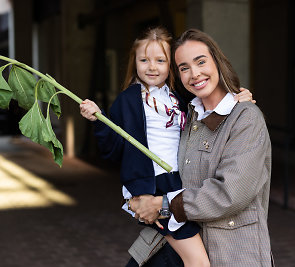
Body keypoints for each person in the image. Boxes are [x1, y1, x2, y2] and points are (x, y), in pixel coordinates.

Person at [80, 27, 254, 267]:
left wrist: (237, 99)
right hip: (156, 186)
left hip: (182, 183)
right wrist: (99, 119)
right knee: (198, 262)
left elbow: (210, 111)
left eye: (160, 60)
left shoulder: (178, 97)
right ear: (135, 62)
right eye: (144, 60)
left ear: (170, 65)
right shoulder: (129, 100)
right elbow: (112, 149)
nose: (152, 67)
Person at [129, 28, 273, 267]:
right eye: (184, 67)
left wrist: (163, 204)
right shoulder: (187, 117)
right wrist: (135, 198)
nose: (194, 74)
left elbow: (230, 194)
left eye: (200, 62)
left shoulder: (246, 118)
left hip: (234, 254)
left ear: (217, 62)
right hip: (186, 248)